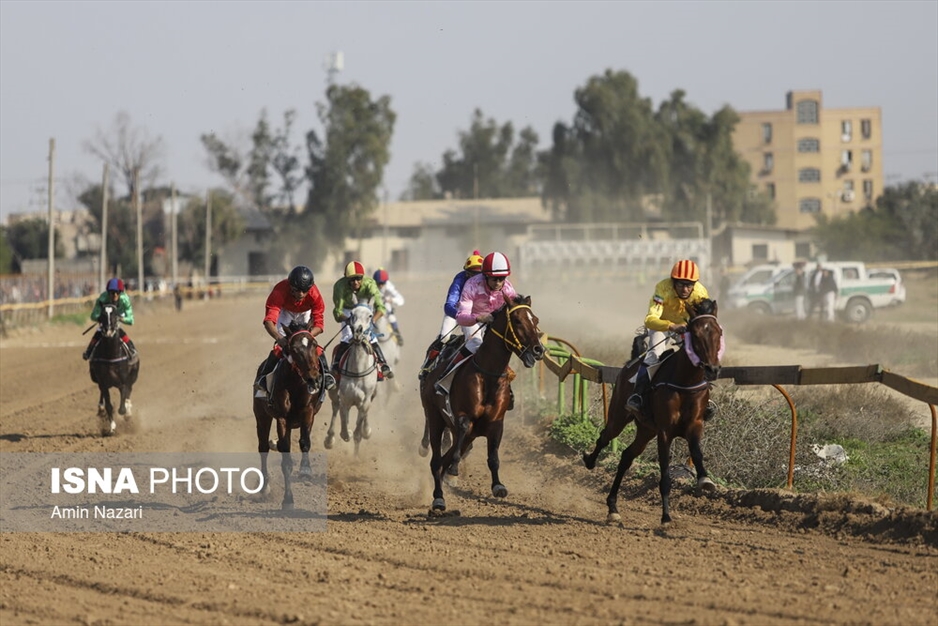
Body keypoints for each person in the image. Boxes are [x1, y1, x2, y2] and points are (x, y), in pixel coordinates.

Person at [626, 260, 710, 416]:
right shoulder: (662, 288)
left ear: (695, 284)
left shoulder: (701, 293)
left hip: (686, 328)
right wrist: (671, 326)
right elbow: (650, 319)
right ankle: (637, 395)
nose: (685, 289)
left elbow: (703, 320)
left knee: (700, 356)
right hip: (662, 326)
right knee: (655, 354)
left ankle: (706, 398)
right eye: (680, 284)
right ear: (673, 282)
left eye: (689, 285)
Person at [435, 251, 517, 396]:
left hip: (492, 318)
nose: (498, 283)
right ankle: (446, 377)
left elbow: (514, 310)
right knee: (471, 343)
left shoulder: (508, 288)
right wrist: (478, 318)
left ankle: (506, 387)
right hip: (467, 314)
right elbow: (456, 312)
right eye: (494, 279)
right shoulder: (469, 284)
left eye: (501, 279)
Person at [255, 265, 335, 401]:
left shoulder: (314, 294)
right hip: (285, 313)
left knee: (310, 346)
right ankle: (263, 378)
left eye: (305, 291)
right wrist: (279, 338)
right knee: (281, 347)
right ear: (290, 286)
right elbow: (269, 321)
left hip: (305, 313)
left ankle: (326, 375)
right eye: (297, 290)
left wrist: (307, 337)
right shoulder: (279, 291)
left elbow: (319, 325)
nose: (301, 294)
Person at [418, 250, 485, 380]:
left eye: (479, 274)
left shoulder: (487, 281)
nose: (476, 278)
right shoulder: (459, 280)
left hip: (476, 314)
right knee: (444, 336)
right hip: (457, 311)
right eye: (472, 273)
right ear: (467, 272)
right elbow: (449, 305)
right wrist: (460, 315)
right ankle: (428, 365)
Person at [332, 261, 394, 380]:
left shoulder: (370, 284)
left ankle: (383, 364)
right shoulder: (339, 286)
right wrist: (348, 319)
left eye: (359, 279)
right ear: (346, 279)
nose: (356, 282)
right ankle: (336, 365)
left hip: (364, 307)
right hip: (347, 309)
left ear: (363, 277)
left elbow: (381, 308)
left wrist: (373, 320)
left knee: (371, 337)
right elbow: (337, 312)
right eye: (352, 279)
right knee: (347, 336)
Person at [82, 278, 136, 360]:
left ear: (120, 293)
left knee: (117, 329)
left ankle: (131, 348)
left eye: (117, 293)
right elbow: (93, 316)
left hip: (118, 315)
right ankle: (89, 351)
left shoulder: (125, 300)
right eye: (112, 293)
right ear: (108, 292)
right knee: (100, 331)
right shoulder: (102, 299)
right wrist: (101, 318)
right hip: (105, 317)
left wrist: (120, 318)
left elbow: (131, 320)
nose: (114, 295)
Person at [373, 268, 405, 345]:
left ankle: (397, 334)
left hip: (386, 306)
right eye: (378, 283)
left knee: (391, 317)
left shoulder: (389, 287)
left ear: (386, 282)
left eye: (382, 283)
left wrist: (391, 300)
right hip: (375, 306)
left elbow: (401, 300)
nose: (380, 286)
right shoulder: (372, 286)